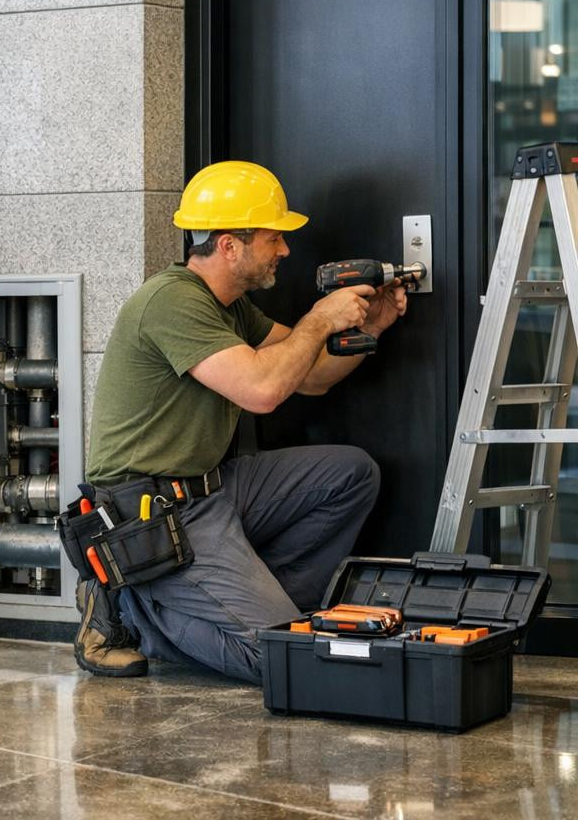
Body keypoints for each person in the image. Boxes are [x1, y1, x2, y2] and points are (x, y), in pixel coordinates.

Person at [79, 160, 406, 683]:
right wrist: (320, 318)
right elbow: (262, 390)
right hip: (149, 512)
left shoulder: (232, 308)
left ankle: (259, 617)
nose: (285, 250)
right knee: (283, 662)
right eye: (274, 237)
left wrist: (375, 328)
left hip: (210, 491)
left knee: (350, 475)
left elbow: (312, 376)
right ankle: (135, 612)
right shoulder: (170, 301)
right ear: (230, 245)